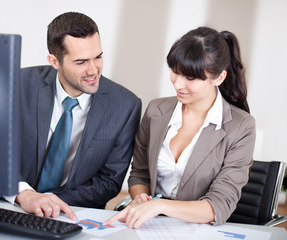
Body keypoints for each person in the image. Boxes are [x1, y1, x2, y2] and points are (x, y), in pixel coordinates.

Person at [104, 26, 256, 228]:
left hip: (199, 230)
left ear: (219, 78)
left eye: (190, 78)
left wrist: (160, 206)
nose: (178, 84)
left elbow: (219, 205)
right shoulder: (156, 110)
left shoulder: (241, 127)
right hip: (150, 226)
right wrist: (141, 199)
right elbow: (139, 173)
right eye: (175, 72)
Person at [4, 12, 141, 220]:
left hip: (73, 214)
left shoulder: (125, 106)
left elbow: (109, 181)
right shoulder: (16, 85)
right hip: (12, 205)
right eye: (81, 62)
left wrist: (48, 201)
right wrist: (25, 195)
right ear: (54, 61)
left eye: (98, 57)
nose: (94, 70)